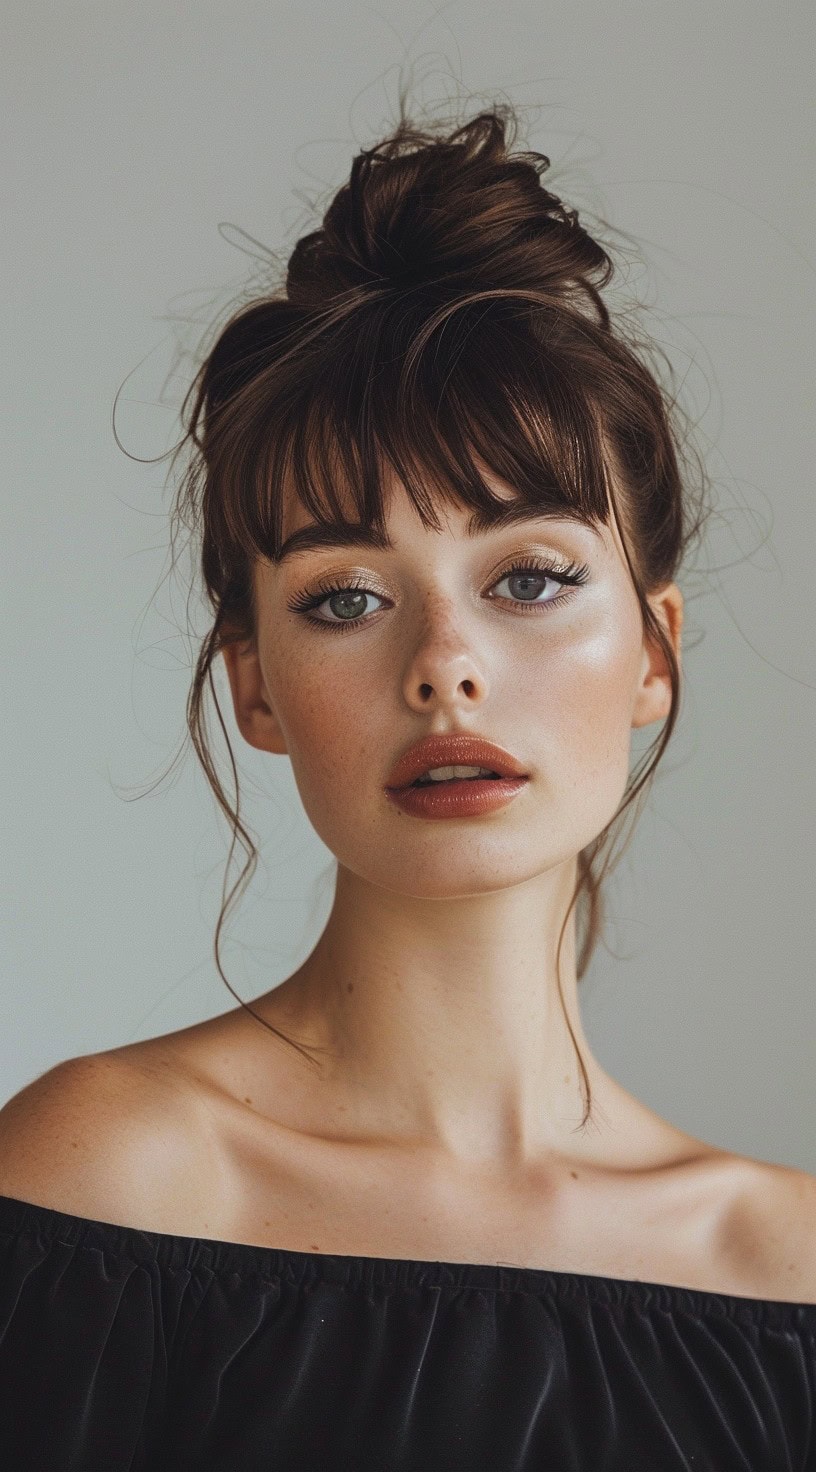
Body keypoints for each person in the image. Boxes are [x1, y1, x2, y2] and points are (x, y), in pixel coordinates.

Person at [1, 98, 814, 1471]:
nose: (446, 666)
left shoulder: (783, 1274)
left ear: (657, 655)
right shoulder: (103, 1184)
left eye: (531, 579)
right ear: (253, 682)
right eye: (348, 597)